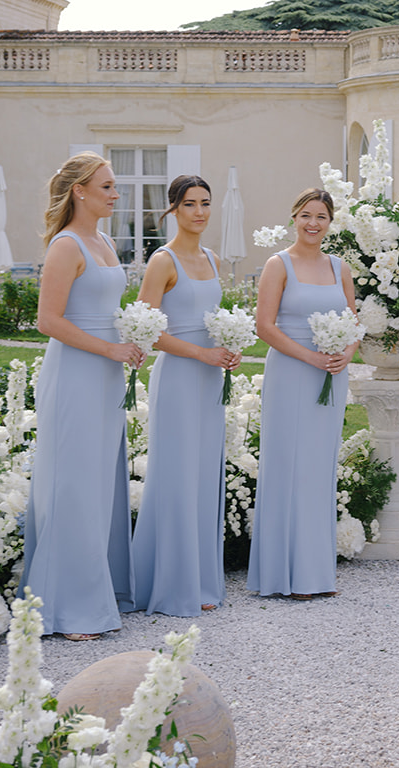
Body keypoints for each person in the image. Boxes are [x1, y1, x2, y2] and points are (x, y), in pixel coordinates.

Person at [20, 153, 145, 638]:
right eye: (107, 186)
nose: (116, 194)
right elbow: (47, 321)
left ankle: (96, 593)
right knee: (72, 483)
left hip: (107, 375)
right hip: (75, 374)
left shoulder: (106, 241)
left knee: (98, 483)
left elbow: (104, 308)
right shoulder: (66, 246)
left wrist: (132, 336)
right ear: (80, 191)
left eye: (114, 186)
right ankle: (67, 608)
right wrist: (110, 347)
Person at [131, 174, 242, 617]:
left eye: (205, 203)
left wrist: (229, 345)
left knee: (203, 475)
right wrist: (201, 352)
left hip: (211, 379)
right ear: (173, 209)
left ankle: (199, 581)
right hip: (178, 377)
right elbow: (146, 330)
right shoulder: (163, 260)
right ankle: (172, 585)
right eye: (190, 204)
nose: (199, 212)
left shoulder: (213, 259)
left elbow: (210, 318)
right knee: (177, 475)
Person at [248, 187, 358, 598]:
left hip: (331, 377)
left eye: (321, 217)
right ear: (294, 217)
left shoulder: (339, 267)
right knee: (288, 465)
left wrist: (346, 354)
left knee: (318, 468)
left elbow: (354, 321)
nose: (313, 223)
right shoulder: (278, 265)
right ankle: (283, 574)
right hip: (291, 374)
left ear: (330, 223)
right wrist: (310, 357)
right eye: (306, 215)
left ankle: (315, 574)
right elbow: (264, 326)